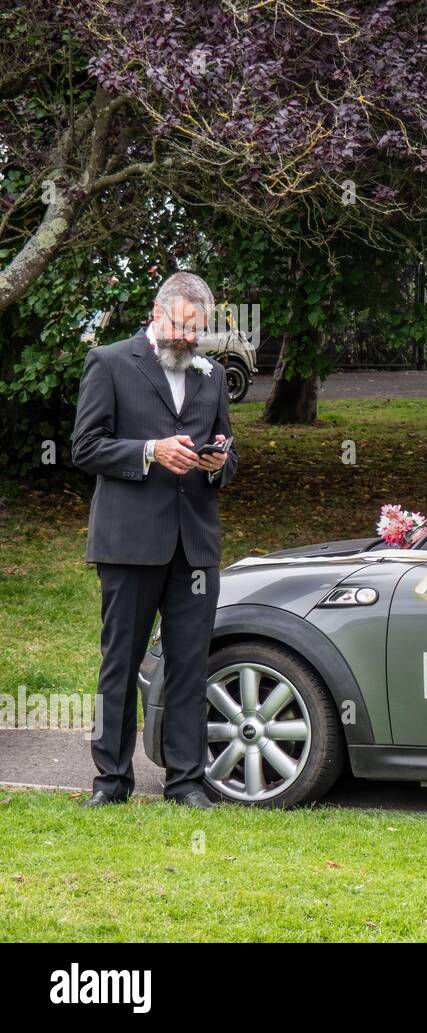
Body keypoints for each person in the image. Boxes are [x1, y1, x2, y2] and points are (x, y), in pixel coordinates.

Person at [71, 271, 237, 809]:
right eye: (183, 329)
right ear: (158, 314)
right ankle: (111, 781)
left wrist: (217, 463)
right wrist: (149, 452)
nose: (190, 341)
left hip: (195, 545)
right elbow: (87, 447)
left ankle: (186, 782)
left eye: (199, 331)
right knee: (120, 661)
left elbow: (229, 456)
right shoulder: (111, 363)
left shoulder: (211, 374)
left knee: (190, 664)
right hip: (129, 543)